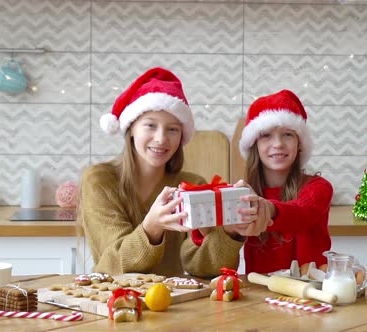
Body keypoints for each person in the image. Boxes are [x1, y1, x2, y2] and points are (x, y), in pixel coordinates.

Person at [79, 67, 252, 278]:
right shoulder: (99, 181)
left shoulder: (192, 184)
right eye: (150, 125)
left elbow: (206, 270)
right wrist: (151, 228)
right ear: (131, 129)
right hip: (114, 302)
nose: (161, 139)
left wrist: (229, 231)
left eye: (172, 129)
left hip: (174, 306)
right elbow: (114, 264)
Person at [237, 89, 333, 274]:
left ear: (299, 144)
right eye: (266, 135)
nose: (278, 144)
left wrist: (267, 209)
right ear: (254, 144)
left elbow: (302, 212)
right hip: (260, 295)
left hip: (311, 295)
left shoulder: (319, 188)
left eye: (287, 134)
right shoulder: (245, 195)